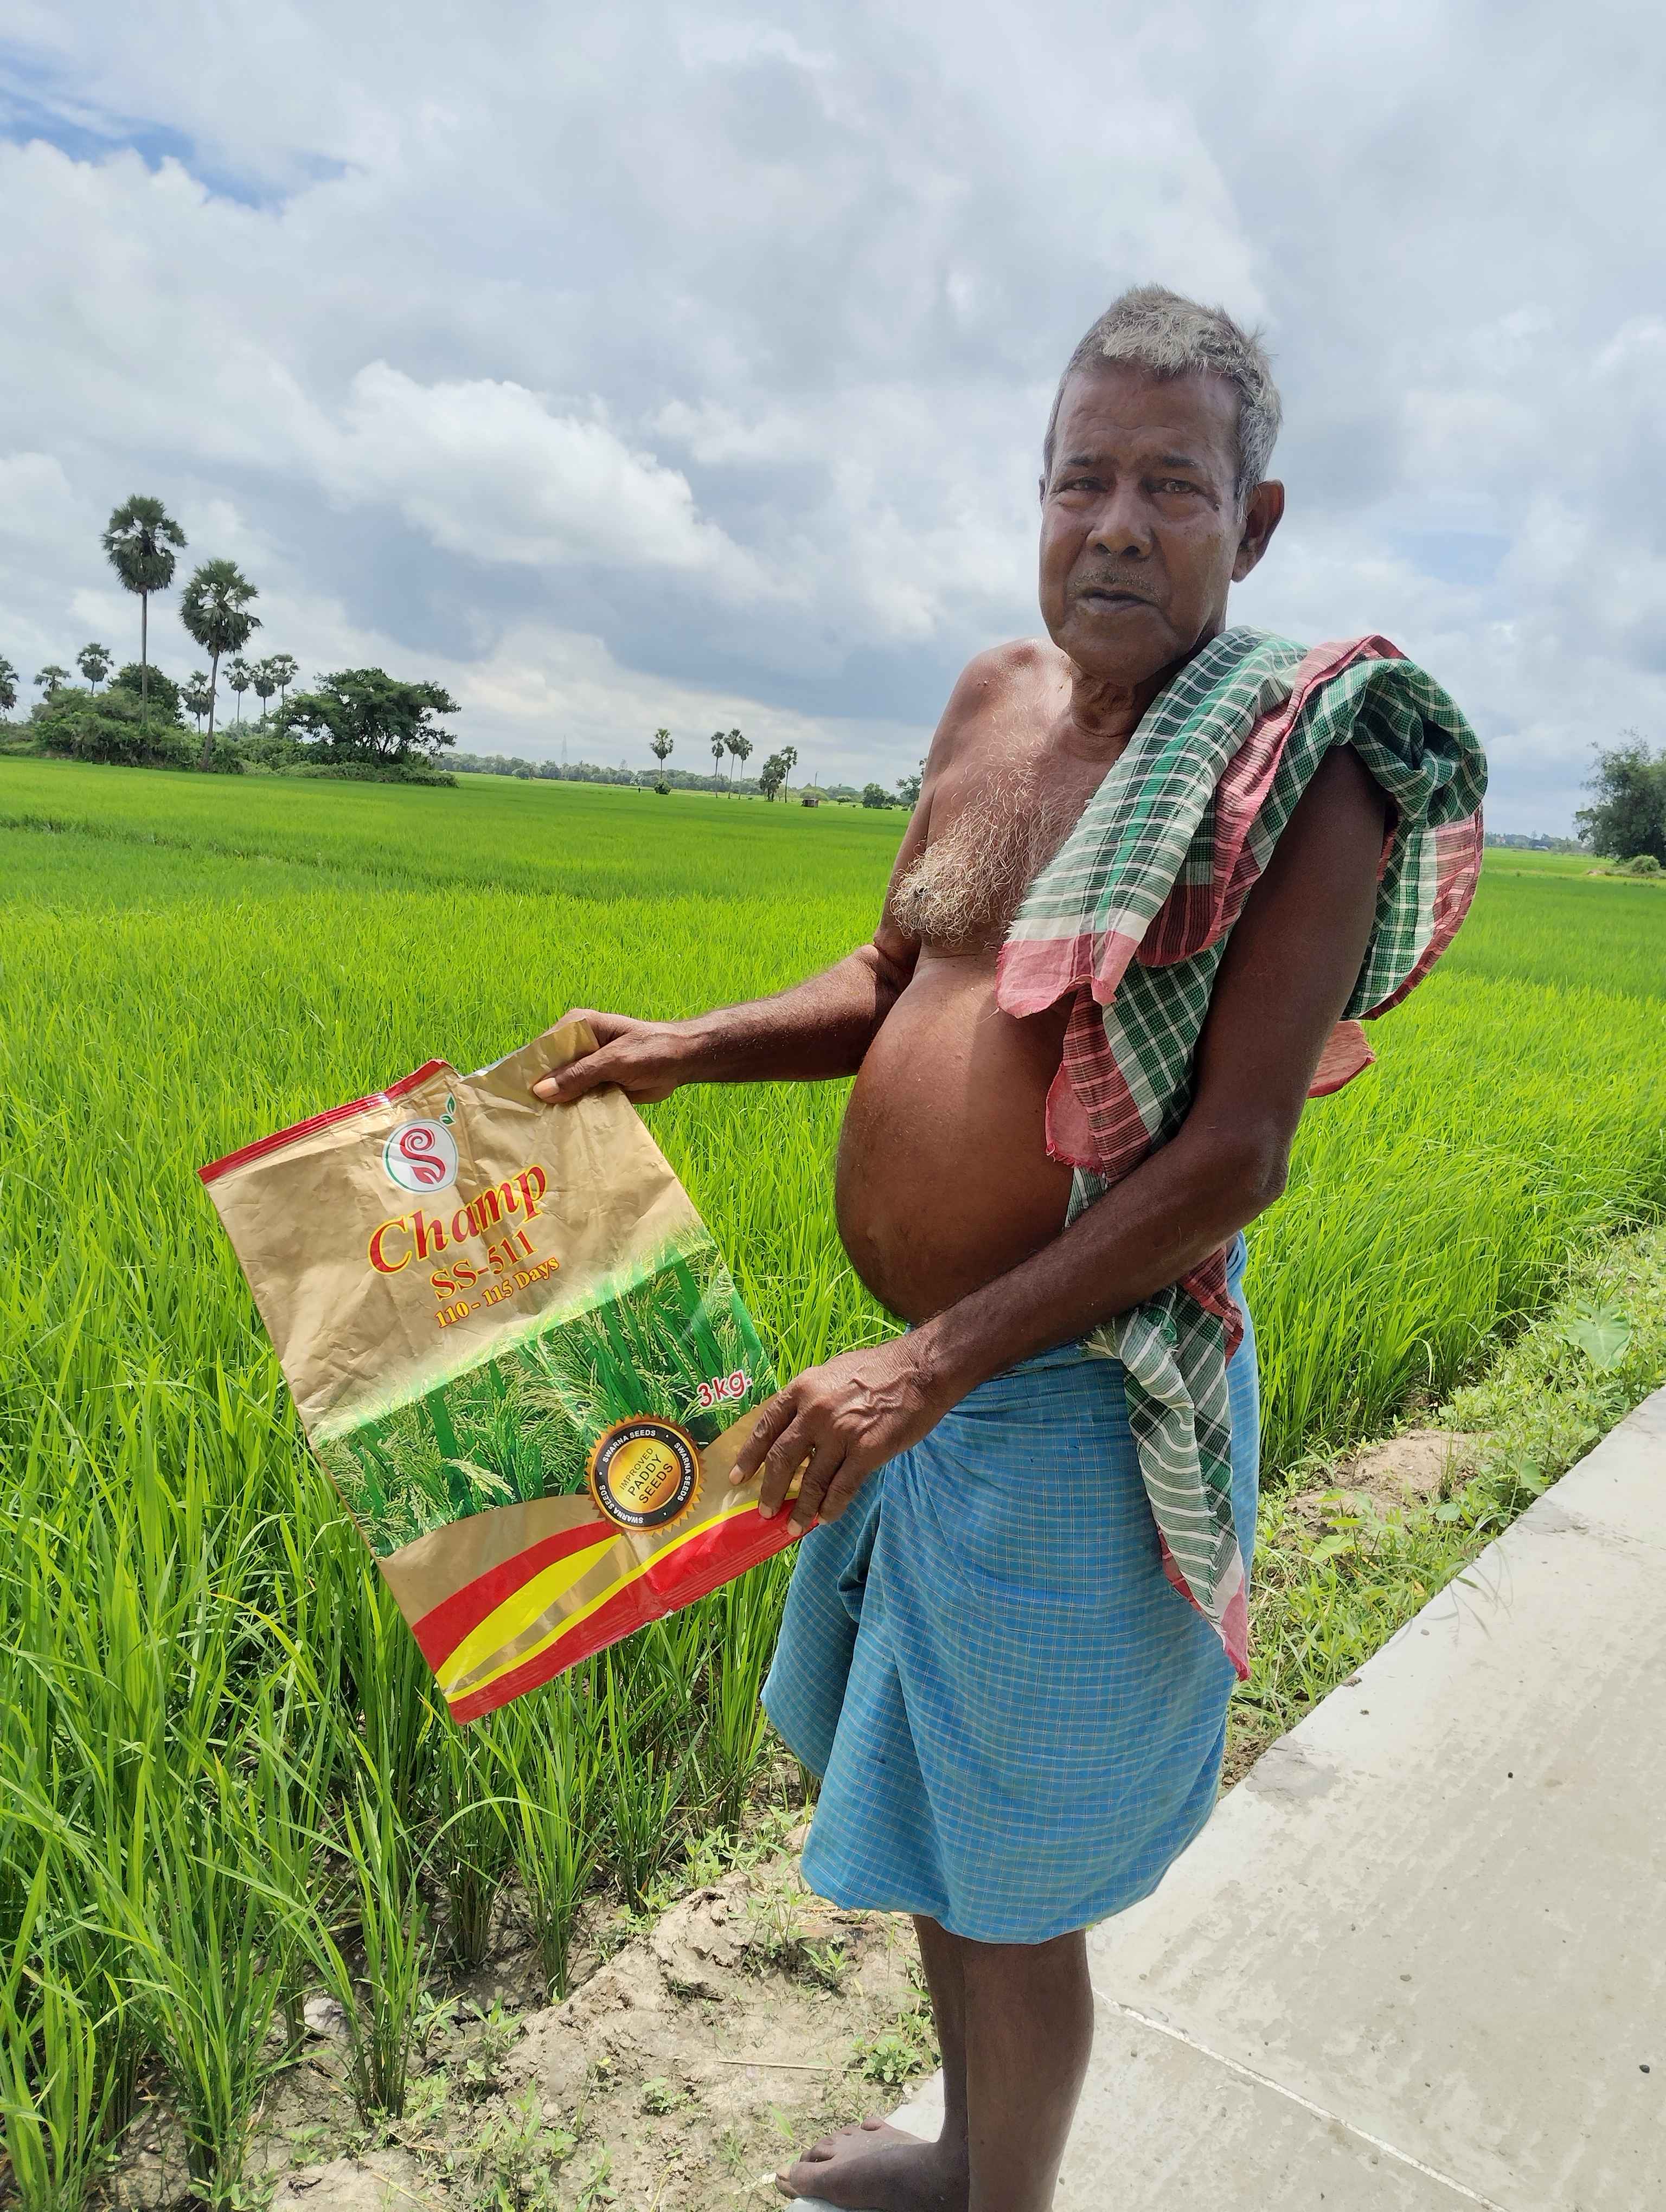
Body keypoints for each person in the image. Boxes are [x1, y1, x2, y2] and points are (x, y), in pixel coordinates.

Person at [534, 285, 1486, 2212]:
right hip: (929, 1398)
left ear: (1255, 521)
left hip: (1067, 1396)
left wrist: (928, 1362)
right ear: (1036, 494)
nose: (1117, 525)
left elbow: (1233, 1158)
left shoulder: (1305, 771)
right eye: (1082, 479)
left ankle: (1004, 2202)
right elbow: (898, 975)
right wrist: (687, 1044)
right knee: (933, 1815)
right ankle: (964, 2154)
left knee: (1014, 1879)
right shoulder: (988, 702)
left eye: (1173, 485)